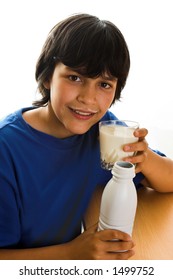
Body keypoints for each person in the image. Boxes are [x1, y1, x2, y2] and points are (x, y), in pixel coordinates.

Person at [0, 13, 173, 260]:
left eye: (104, 84)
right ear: (48, 76)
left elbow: (169, 179)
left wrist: (144, 157)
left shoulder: (103, 129)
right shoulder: (6, 150)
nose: (88, 99)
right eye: (74, 78)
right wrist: (71, 253)